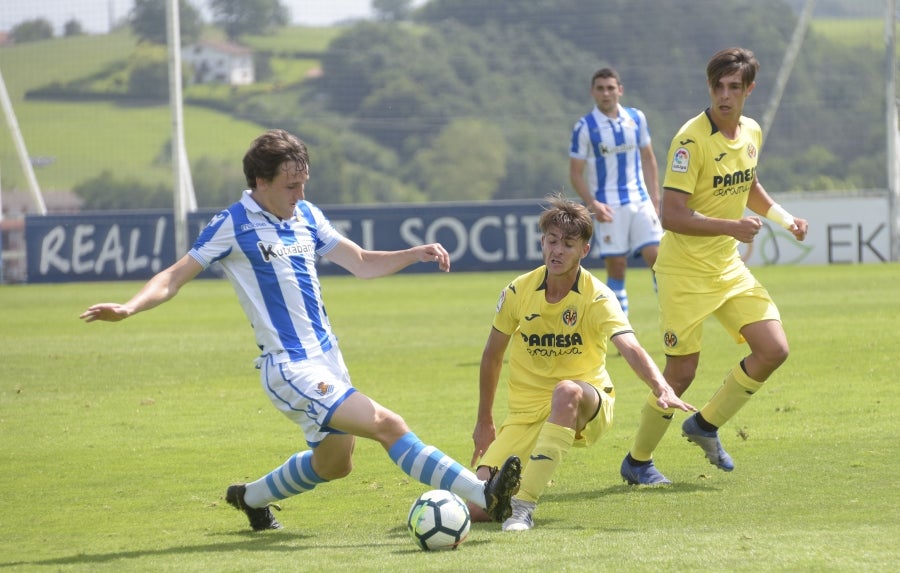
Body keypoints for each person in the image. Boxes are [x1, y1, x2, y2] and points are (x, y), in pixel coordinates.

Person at [80, 128, 521, 531]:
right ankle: (484, 493)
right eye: (291, 185)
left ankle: (250, 498)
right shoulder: (232, 223)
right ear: (261, 182)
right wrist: (129, 307)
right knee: (387, 424)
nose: (300, 193)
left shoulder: (306, 214)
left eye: (303, 182)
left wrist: (413, 253)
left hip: (328, 359)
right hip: (289, 367)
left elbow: (361, 263)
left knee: (335, 464)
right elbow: (173, 276)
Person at [619, 47, 809, 486]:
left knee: (773, 349)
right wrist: (732, 227)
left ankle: (704, 424)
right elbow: (671, 215)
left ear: (748, 90)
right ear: (709, 87)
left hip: (727, 268)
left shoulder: (751, 131)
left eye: (734, 87)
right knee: (681, 374)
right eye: (718, 86)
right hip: (684, 273)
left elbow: (749, 184)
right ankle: (637, 461)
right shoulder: (691, 140)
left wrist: (785, 220)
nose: (725, 95)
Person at [467, 194, 694, 531]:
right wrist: (484, 420)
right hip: (525, 413)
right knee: (476, 507)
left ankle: (523, 506)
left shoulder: (598, 296)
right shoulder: (517, 291)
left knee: (566, 391)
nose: (557, 251)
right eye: (552, 241)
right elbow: (492, 355)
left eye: (568, 244)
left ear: (584, 250)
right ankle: (508, 493)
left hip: (589, 400)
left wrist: (661, 387)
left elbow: (629, 345)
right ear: (542, 242)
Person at [569, 67, 662, 317]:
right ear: (592, 92)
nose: (606, 93)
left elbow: (649, 158)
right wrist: (592, 204)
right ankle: (620, 329)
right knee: (617, 267)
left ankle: (673, 322)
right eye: (600, 89)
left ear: (620, 90)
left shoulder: (636, 118)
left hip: (640, 200)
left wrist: (655, 199)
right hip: (608, 206)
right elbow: (575, 173)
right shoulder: (585, 127)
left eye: (610, 88)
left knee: (659, 259)